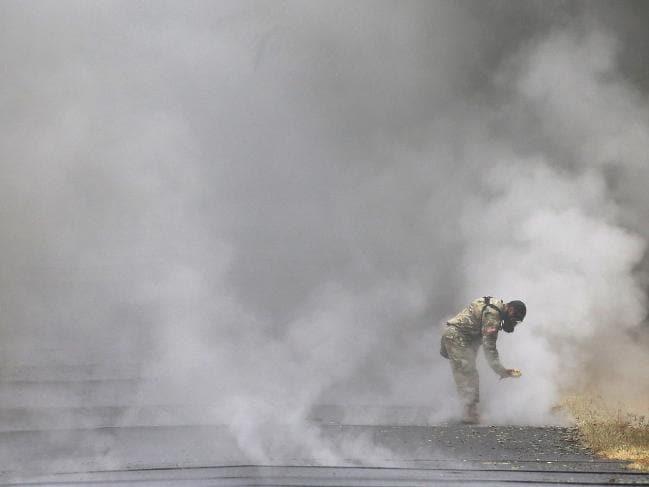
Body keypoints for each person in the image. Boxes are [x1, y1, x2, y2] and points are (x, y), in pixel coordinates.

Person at [440, 296, 526, 424]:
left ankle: (467, 408)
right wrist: (501, 370)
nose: (513, 323)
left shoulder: (494, 307)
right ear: (510, 309)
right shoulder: (492, 315)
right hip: (457, 336)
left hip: (460, 336)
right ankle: (469, 413)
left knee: (467, 371)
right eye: (514, 318)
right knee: (467, 372)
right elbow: (489, 347)